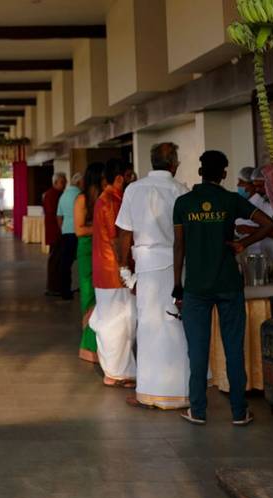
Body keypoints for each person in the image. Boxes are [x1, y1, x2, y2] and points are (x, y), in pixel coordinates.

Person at [174, 150, 273, 426]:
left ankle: (198, 411)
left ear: (200, 172)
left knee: (197, 350)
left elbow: (179, 247)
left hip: (196, 287)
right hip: (229, 284)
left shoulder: (183, 203)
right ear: (224, 174)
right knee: (233, 349)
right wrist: (244, 243)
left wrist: (176, 285)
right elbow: (268, 223)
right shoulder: (231, 201)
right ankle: (239, 412)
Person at [116, 142, 190, 410]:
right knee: (176, 326)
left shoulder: (133, 189)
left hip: (146, 267)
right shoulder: (180, 190)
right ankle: (181, 392)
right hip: (176, 265)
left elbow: (124, 233)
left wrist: (125, 271)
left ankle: (148, 393)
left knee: (148, 327)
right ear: (174, 164)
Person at [88, 160, 136, 387]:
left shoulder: (108, 199)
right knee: (115, 324)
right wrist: (124, 266)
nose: (132, 180)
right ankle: (115, 372)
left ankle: (122, 370)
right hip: (113, 271)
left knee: (124, 322)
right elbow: (116, 237)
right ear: (120, 178)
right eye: (130, 176)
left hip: (109, 271)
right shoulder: (110, 201)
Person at [74, 163, 101, 363]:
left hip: (102, 250)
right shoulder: (82, 199)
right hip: (86, 250)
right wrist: (101, 228)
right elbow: (79, 230)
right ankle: (88, 346)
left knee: (102, 298)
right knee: (89, 297)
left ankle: (97, 345)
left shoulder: (104, 199)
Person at [56, 172, 83, 300]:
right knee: (83, 260)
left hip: (66, 232)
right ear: (79, 183)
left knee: (65, 263)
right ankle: (83, 287)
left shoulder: (63, 196)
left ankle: (65, 290)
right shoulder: (80, 195)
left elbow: (59, 216)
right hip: (80, 231)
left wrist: (63, 229)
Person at [43, 173, 66, 296]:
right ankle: (52, 287)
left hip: (58, 230)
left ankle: (57, 285)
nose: (64, 185)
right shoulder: (51, 195)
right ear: (56, 182)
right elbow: (54, 214)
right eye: (62, 182)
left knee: (58, 259)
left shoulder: (59, 194)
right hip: (55, 231)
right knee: (54, 259)